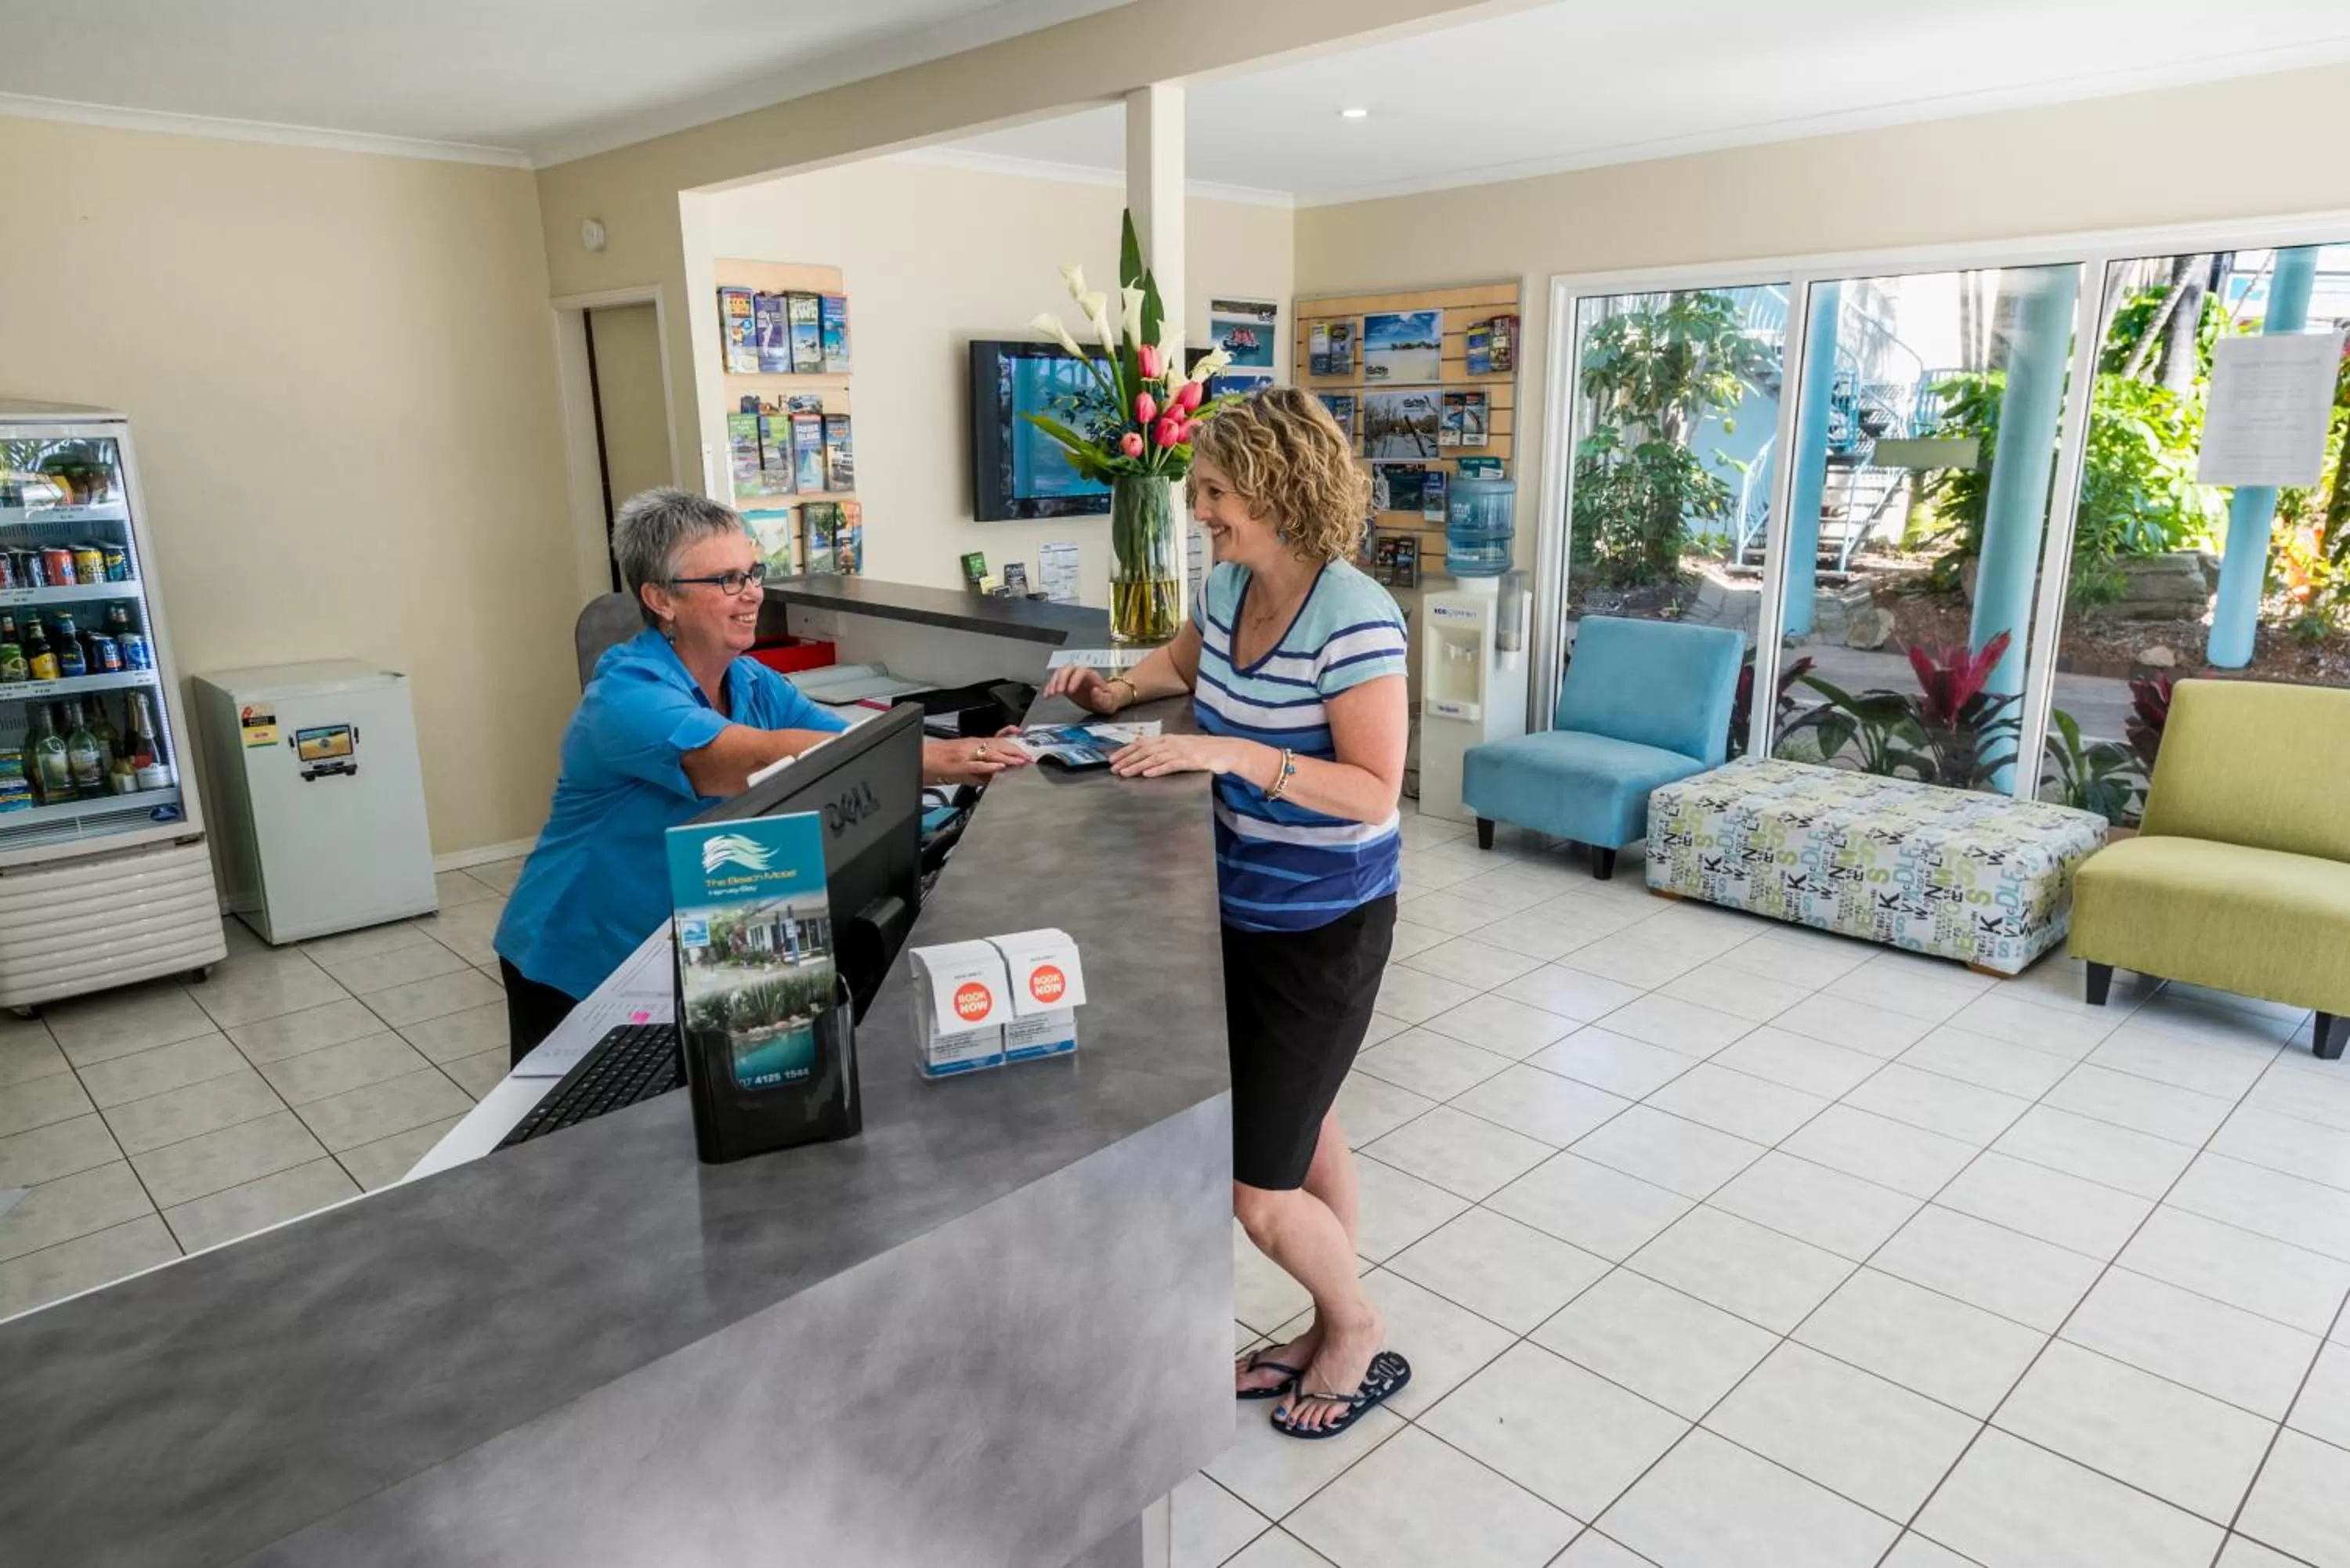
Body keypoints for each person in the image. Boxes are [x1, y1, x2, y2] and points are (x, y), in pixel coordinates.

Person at [1043, 388, 1410, 1439]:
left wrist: (1235, 753)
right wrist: (1116, 691)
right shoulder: (1234, 587)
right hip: (1242, 904)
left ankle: (1354, 1327)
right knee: (1306, 1124)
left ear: (1279, 488)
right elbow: (1188, 658)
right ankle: (1323, 1314)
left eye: (1215, 492)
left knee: (1256, 1192)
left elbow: (1373, 790)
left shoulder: (1355, 617)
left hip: (1324, 923)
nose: (1200, 509)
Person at [494, 488, 1029, 1066]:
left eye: (754, 572)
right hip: (586, 954)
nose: (753, 594)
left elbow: (851, 746)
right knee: (594, 1140)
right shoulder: (626, 695)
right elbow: (748, 760)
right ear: (661, 599)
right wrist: (939, 760)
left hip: (703, 942)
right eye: (727, 580)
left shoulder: (748, 680)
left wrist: (967, 753)